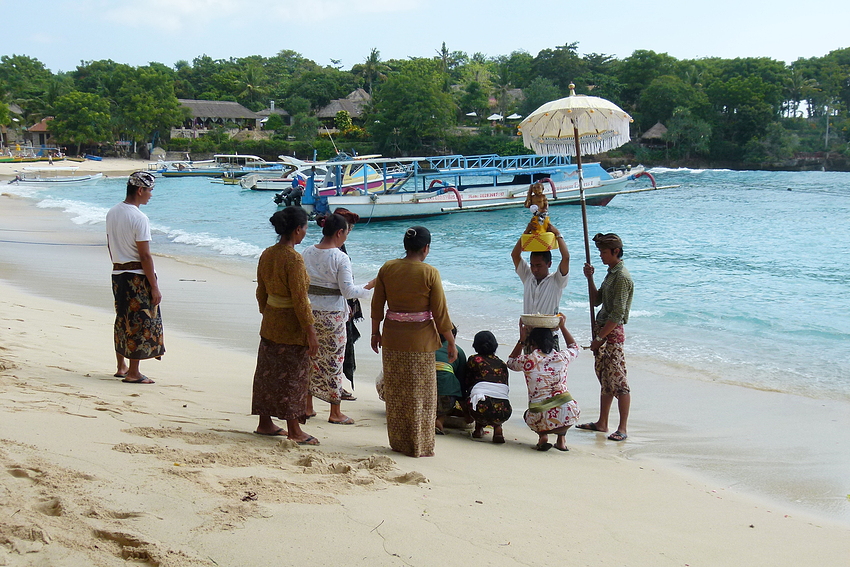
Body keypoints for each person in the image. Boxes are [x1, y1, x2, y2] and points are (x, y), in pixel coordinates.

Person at [371, 226, 456, 457]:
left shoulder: (387, 268)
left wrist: (374, 332)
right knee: (422, 395)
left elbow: (377, 305)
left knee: (397, 393)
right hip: (421, 342)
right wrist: (450, 342)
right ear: (426, 248)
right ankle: (420, 444)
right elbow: (440, 313)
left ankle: (399, 442)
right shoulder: (430, 273)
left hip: (392, 338)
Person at [251, 206, 320, 445]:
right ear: (298, 230)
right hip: (291, 325)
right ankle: (294, 429)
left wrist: (267, 313)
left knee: (267, 374)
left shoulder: (267, 253)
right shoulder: (293, 259)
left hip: (271, 320)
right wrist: (311, 332)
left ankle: (265, 421)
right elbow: (300, 300)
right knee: (293, 376)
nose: (305, 233)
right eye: (304, 229)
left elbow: (261, 291)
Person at [302, 213, 374, 425]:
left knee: (311, 358)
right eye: (346, 233)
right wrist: (369, 286)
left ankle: (308, 406)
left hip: (310, 311)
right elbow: (348, 291)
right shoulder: (340, 257)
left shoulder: (307, 252)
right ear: (339, 232)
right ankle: (335, 411)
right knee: (334, 360)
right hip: (332, 315)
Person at [105, 171, 165, 384]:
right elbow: (145, 255)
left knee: (122, 318)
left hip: (118, 272)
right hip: (136, 276)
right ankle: (133, 372)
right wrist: (154, 285)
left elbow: (110, 244)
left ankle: (121, 366)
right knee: (140, 321)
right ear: (140, 190)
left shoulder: (112, 212)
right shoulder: (139, 217)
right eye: (149, 191)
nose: (150, 195)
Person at [576, 233, 634, 442]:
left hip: (611, 335)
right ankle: (602, 422)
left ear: (615, 252)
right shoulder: (611, 274)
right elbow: (596, 301)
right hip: (602, 332)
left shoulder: (621, 277)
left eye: (603, 252)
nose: (600, 255)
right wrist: (589, 278)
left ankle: (623, 427)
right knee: (605, 379)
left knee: (619, 381)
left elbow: (617, 315)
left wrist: (600, 338)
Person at [506, 315, 580, 452]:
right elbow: (574, 347)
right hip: (569, 414)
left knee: (530, 412)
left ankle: (543, 436)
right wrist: (563, 326)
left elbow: (510, 362)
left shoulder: (528, 360)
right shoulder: (562, 357)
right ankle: (561, 440)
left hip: (540, 419)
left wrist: (521, 340)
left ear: (531, 342)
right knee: (562, 402)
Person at [510, 221, 570, 316]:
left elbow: (565, 257)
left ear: (549, 264)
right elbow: (515, 255)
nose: (534, 269)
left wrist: (558, 234)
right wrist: (526, 233)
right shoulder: (528, 277)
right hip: (529, 328)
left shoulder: (556, 280)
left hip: (548, 329)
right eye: (532, 265)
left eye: (539, 265)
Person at [465, 330, 512, 444]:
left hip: (480, 408)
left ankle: (478, 429)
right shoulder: (502, 364)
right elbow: (505, 385)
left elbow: (467, 381)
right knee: (493, 398)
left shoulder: (474, 360)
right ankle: (498, 428)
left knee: (477, 397)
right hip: (504, 410)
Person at [435, 325, 466, 436]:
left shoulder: (425, 346)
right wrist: (467, 412)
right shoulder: (459, 351)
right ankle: (440, 420)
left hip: (422, 397)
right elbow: (461, 383)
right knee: (450, 386)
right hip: (445, 399)